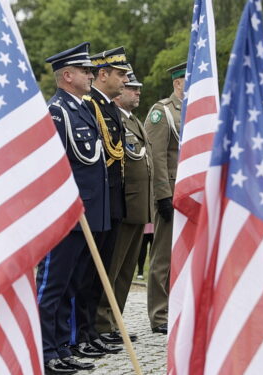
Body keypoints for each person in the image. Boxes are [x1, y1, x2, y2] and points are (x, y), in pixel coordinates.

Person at [36, 41, 109, 374]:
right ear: (67, 75)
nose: (91, 75)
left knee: (69, 286)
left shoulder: (81, 107)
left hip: (86, 214)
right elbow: (52, 169)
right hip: (65, 217)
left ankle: (63, 345)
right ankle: (45, 351)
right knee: (52, 287)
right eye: (85, 70)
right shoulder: (57, 111)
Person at [73, 46, 130, 353]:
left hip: (111, 203)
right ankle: (81, 334)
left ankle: (91, 331)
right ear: (103, 74)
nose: (125, 80)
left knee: (100, 272)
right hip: (95, 202)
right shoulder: (89, 106)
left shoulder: (108, 107)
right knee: (84, 274)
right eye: (120, 74)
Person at [95, 67, 152, 344]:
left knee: (127, 271)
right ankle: (102, 323)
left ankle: (114, 321)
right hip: (125, 206)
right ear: (119, 95)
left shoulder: (134, 121)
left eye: (137, 86)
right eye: (131, 86)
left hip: (139, 207)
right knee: (113, 269)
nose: (136, 91)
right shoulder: (113, 119)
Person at [144, 61, 186, 334]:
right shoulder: (163, 112)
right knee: (163, 257)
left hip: (195, 193)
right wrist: (162, 195)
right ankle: (160, 314)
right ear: (177, 83)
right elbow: (156, 156)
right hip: (171, 192)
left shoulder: (202, 110)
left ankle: (185, 306)